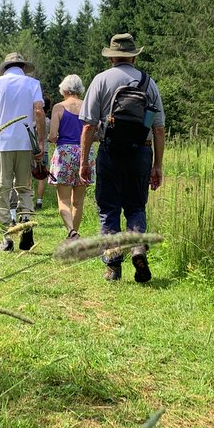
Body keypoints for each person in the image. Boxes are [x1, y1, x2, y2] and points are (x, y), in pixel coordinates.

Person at [79, 33, 165, 283]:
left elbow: (88, 127)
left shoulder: (101, 80)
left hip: (110, 152)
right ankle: (137, 246)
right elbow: (158, 128)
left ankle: (113, 268)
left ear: (113, 56)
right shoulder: (149, 83)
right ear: (134, 56)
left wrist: (84, 162)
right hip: (141, 152)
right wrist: (157, 165)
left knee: (109, 209)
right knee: (136, 206)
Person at [0, 52, 46, 251]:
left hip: (2, 143)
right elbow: (39, 112)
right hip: (26, 143)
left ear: (6, 67)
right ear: (23, 67)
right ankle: (26, 225)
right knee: (24, 186)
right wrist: (40, 142)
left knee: (0, 187)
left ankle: (7, 235)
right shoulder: (33, 84)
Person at [49, 75, 90, 239]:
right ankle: (73, 237)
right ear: (80, 90)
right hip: (84, 154)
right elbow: (95, 132)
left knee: (63, 199)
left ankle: (71, 231)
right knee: (78, 202)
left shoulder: (58, 107)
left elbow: (52, 135)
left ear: (64, 90)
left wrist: (58, 139)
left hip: (64, 153)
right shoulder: (87, 106)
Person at [35, 95, 53, 209]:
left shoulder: (33, 120)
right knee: (42, 177)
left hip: (31, 150)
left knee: (27, 176)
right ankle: (39, 200)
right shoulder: (48, 121)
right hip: (44, 150)